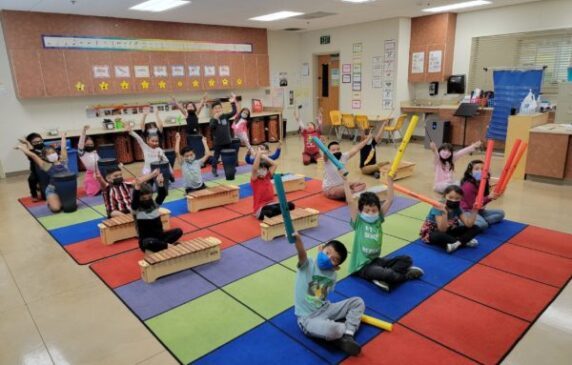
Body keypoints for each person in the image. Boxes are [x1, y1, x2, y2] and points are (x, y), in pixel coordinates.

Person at [343, 174, 423, 291]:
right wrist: (345, 181)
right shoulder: (359, 222)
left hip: (376, 261)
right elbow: (350, 201)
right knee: (388, 274)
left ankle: (383, 278)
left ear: (378, 210)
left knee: (406, 259)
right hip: (362, 267)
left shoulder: (378, 219)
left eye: (374, 210)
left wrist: (390, 181)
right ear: (360, 211)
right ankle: (404, 275)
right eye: (367, 210)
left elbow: (390, 199)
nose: (371, 213)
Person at [293, 233, 365, 356]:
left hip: (325, 308)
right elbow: (301, 254)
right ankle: (339, 333)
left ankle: (348, 334)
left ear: (337, 266)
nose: (328, 258)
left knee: (357, 302)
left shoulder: (333, 275)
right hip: (308, 318)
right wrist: (298, 241)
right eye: (327, 253)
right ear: (321, 249)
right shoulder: (308, 264)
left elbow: (320, 296)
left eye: (334, 259)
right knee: (334, 329)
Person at [16, 132, 69, 213]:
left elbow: (63, 147)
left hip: (65, 188)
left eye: (53, 152)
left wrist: (63, 136)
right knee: (56, 209)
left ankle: (56, 199)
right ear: (45, 157)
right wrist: (22, 147)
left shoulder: (63, 160)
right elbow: (33, 155)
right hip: (53, 190)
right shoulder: (46, 165)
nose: (52, 154)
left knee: (69, 207)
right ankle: (50, 201)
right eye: (49, 154)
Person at [420, 185, 481, 253]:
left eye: (457, 198)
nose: (453, 200)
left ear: (461, 198)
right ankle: (463, 241)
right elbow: (442, 230)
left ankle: (456, 244)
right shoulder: (438, 207)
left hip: (448, 231)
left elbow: (468, 224)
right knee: (440, 236)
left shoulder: (457, 207)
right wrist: (444, 213)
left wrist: (475, 210)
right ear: (445, 196)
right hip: (432, 232)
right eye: (450, 197)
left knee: (476, 227)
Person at [132, 171, 183, 252]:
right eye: (144, 199)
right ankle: (170, 246)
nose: (147, 200)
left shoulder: (154, 205)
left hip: (160, 237)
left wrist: (160, 183)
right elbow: (134, 201)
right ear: (139, 199)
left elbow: (162, 195)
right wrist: (137, 187)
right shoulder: (137, 210)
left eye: (149, 197)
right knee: (149, 242)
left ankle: (164, 245)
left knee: (178, 231)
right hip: (147, 241)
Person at [460, 160, 505, 230]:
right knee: (483, 225)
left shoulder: (483, 182)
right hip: (467, 211)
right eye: (476, 169)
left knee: (501, 213)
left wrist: (493, 196)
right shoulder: (468, 186)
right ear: (470, 172)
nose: (480, 171)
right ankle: (463, 222)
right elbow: (472, 205)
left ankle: (477, 221)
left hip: (478, 211)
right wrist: (489, 197)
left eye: (483, 169)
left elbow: (482, 200)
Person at [251, 150, 294, 220]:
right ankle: (281, 212)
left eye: (264, 169)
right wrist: (259, 154)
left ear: (267, 171)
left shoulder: (267, 176)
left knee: (291, 205)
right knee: (269, 212)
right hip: (261, 207)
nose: (261, 171)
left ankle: (280, 211)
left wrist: (264, 157)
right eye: (259, 169)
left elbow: (275, 164)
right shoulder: (255, 180)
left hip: (272, 203)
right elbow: (254, 169)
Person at [209, 93, 238, 176]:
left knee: (229, 156)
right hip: (218, 143)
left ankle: (231, 168)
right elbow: (211, 127)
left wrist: (233, 102)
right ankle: (214, 169)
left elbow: (234, 112)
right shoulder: (212, 119)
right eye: (215, 108)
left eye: (219, 108)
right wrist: (215, 118)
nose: (217, 110)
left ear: (222, 109)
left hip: (227, 141)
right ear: (213, 110)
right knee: (216, 156)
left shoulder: (225, 116)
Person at [21, 132, 45, 201]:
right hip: (36, 171)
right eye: (35, 142)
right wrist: (26, 143)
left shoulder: (45, 147)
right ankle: (34, 195)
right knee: (31, 179)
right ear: (31, 144)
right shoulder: (30, 151)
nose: (39, 143)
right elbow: (32, 152)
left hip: (46, 169)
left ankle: (41, 188)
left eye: (40, 141)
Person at [78, 125, 100, 196]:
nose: (90, 145)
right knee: (93, 193)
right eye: (88, 144)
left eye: (91, 144)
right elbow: (80, 142)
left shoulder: (94, 152)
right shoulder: (82, 153)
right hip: (91, 175)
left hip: (100, 173)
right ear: (84, 144)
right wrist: (84, 131)